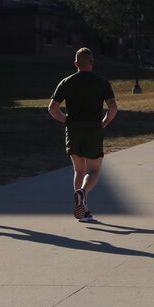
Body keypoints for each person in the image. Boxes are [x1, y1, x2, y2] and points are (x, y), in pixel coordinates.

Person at [48, 48, 118, 223]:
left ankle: (84, 209)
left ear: (76, 64)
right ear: (92, 62)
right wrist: (104, 122)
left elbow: (52, 108)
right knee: (94, 170)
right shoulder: (102, 82)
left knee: (79, 170)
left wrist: (65, 120)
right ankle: (83, 194)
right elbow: (113, 108)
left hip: (73, 130)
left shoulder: (66, 82)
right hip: (93, 129)